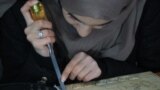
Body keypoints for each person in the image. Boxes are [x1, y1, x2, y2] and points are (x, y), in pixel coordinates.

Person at [0, 0, 160, 85]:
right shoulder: (28, 11)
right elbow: (14, 82)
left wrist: (106, 70)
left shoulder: (147, 8)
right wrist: (44, 57)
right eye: (73, 17)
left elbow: (154, 77)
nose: (83, 34)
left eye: (104, 24)